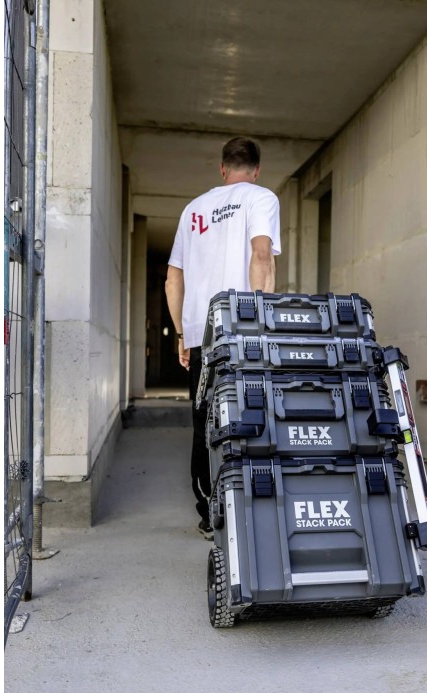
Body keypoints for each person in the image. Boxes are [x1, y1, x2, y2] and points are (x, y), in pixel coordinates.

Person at [165, 136, 280, 540]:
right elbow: (261, 255)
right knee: (251, 415)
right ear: (257, 169)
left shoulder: (193, 209)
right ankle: (250, 508)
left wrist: (183, 334)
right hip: (243, 331)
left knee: (204, 422)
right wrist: (260, 322)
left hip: (202, 334)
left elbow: (172, 279)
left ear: (222, 168)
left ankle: (208, 513)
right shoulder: (261, 198)